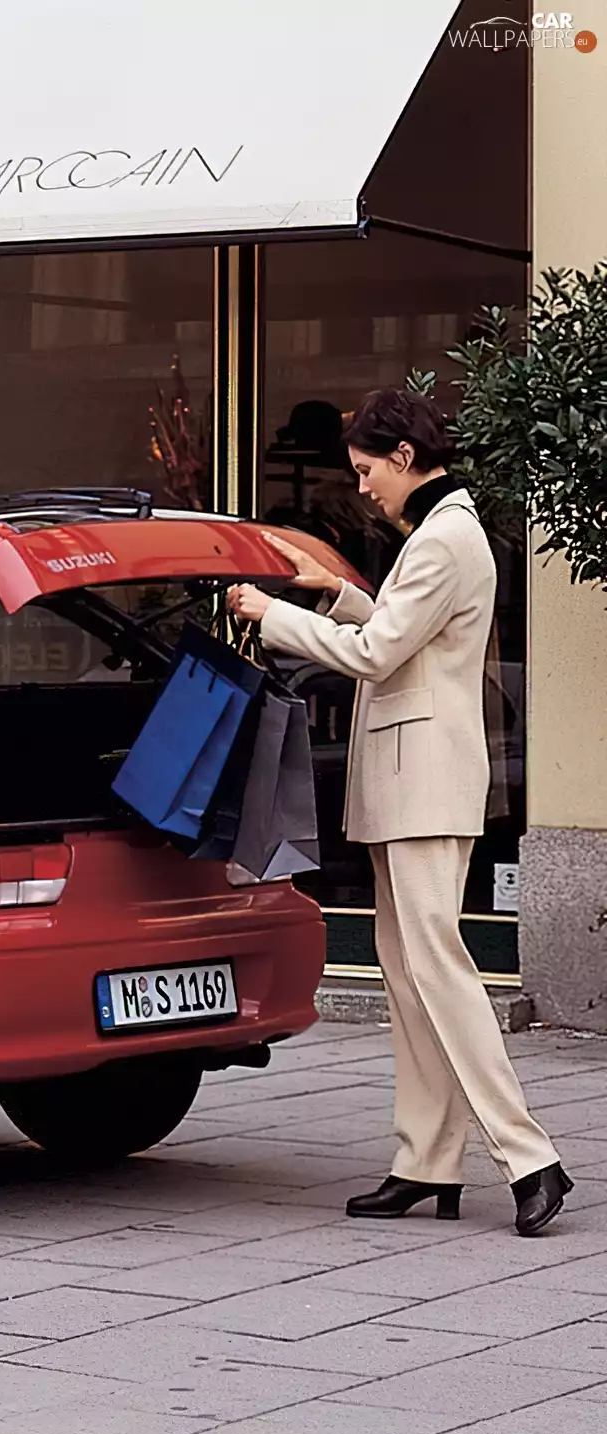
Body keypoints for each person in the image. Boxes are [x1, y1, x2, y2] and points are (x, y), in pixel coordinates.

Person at [228, 388, 572, 1237]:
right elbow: (398, 632)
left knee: (437, 969)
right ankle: (425, 1161)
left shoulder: (444, 537)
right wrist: (335, 593)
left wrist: (275, 616)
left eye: (366, 470)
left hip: (422, 782)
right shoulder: (444, 533)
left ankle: (529, 1157)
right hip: (410, 780)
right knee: (410, 975)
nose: (363, 487)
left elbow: (380, 654)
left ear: (404, 458)